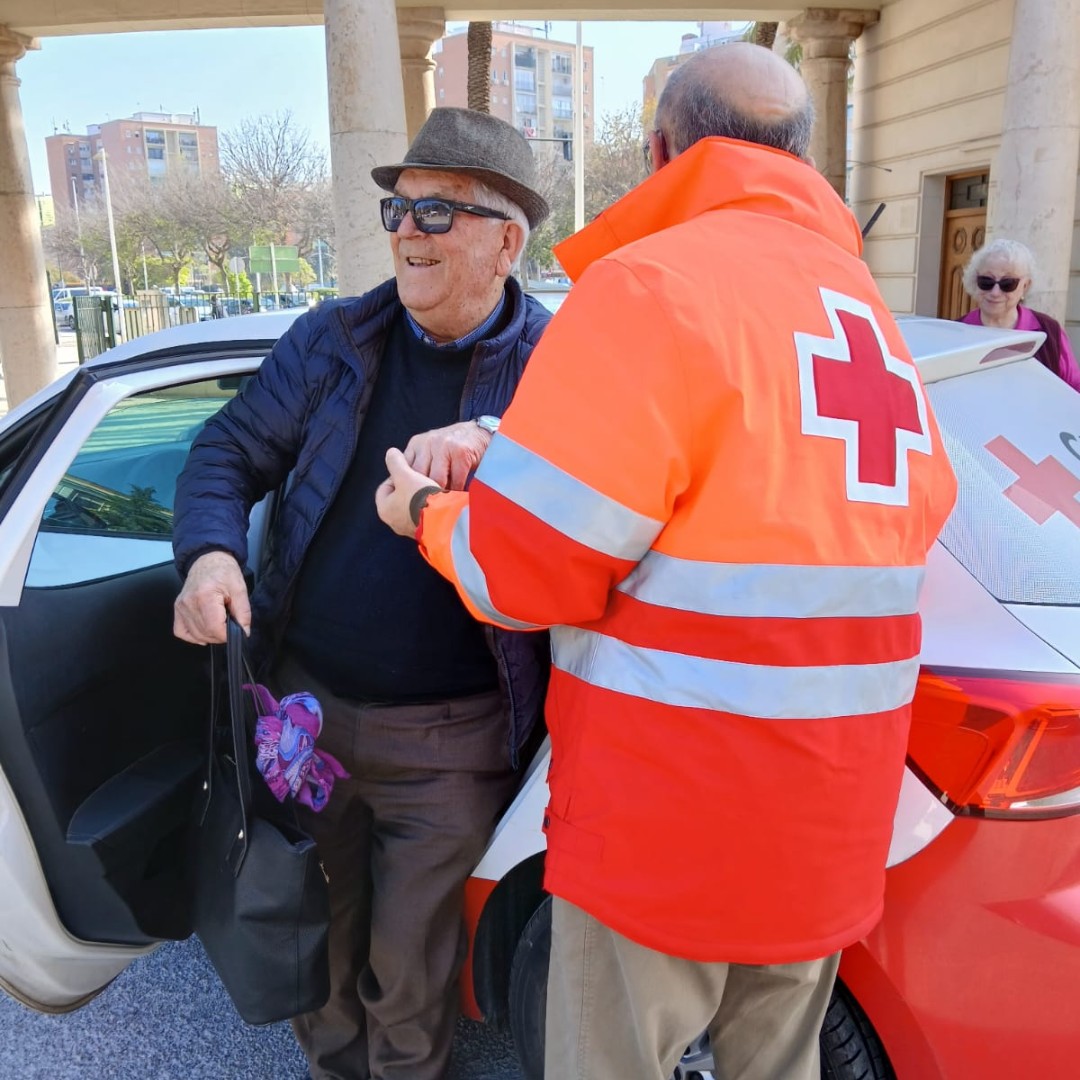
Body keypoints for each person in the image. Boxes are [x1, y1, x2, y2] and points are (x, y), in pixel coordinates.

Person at [377, 43, 957, 1080]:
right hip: (826, 834)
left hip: (667, 832)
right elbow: (764, 483)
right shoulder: (865, 316)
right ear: (797, 153)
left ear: (661, 152)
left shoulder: (654, 287)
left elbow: (525, 572)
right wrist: (515, 440)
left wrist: (423, 510)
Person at [171, 107, 553, 1080]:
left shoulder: (560, 368)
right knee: (319, 943)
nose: (406, 233)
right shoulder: (334, 338)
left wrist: (498, 442)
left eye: (438, 214)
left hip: (454, 743)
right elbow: (227, 450)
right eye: (398, 209)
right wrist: (211, 557)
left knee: (409, 972)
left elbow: (601, 502)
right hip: (306, 714)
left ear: (507, 241)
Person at [960, 237, 1080, 391]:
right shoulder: (957, 331)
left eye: (1007, 284)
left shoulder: (1049, 330)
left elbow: (1074, 386)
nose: (995, 293)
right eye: (986, 282)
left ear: (1025, 286)